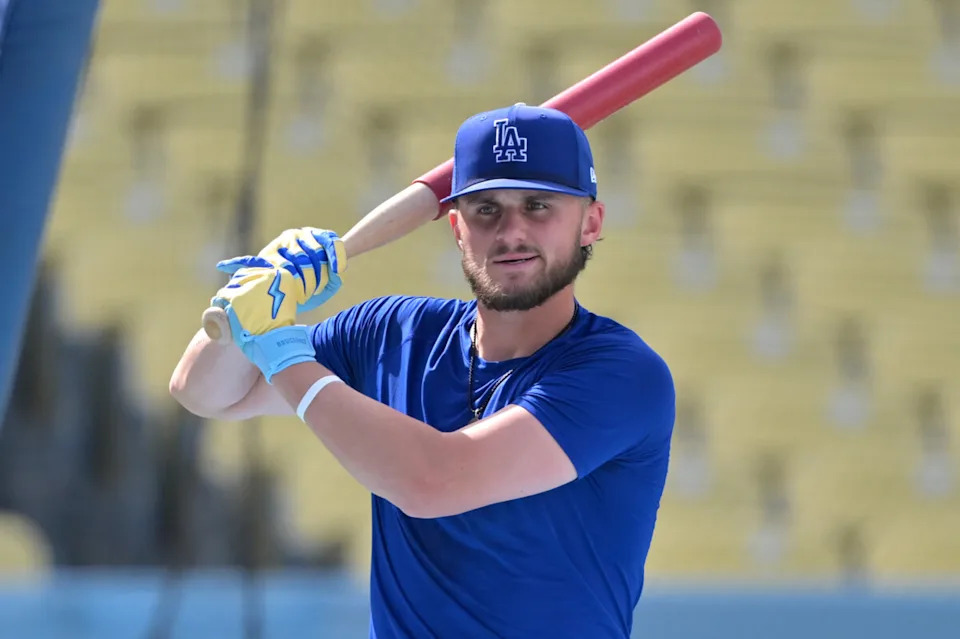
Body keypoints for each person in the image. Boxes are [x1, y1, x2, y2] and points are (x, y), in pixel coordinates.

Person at [170, 103, 676, 639]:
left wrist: (280, 348)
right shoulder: (392, 331)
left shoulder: (621, 374)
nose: (511, 232)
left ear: (590, 223)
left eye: (537, 205)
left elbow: (434, 480)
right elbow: (206, 392)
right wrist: (246, 302)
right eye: (486, 209)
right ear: (456, 226)